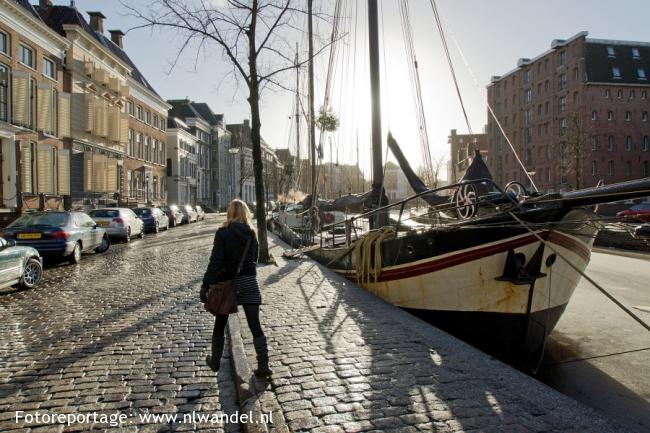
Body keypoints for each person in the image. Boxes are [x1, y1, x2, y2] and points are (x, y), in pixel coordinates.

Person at [200, 199, 272, 377]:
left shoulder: (223, 233)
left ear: (230, 214)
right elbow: (254, 259)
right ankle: (264, 366)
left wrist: (206, 284)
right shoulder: (252, 233)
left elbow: (215, 262)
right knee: (255, 324)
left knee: (220, 321)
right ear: (245, 213)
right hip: (248, 280)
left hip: (228, 283)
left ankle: (215, 361)